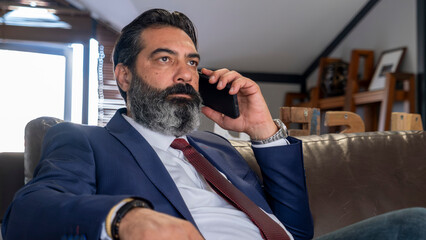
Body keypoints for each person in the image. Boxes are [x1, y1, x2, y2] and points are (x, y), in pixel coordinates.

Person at [3, 8, 426, 240]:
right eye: (165, 59)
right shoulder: (83, 139)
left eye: (192, 62)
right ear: (125, 76)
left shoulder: (217, 148)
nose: (186, 73)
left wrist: (263, 132)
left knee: (414, 223)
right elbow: (26, 213)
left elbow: (294, 232)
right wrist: (124, 218)